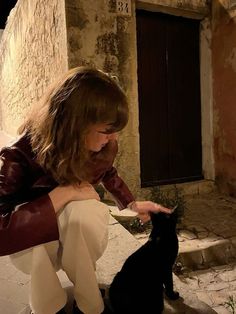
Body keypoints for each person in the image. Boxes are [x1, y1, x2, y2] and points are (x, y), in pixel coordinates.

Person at [0, 66, 171, 314]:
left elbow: (107, 172)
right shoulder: (17, 155)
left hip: (75, 238)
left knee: (84, 211)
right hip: (35, 249)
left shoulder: (102, 146)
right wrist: (62, 194)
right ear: (75, 125)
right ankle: (48, 307)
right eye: (106, 131)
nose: (112, 140)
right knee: (36, 238)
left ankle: (89, 306)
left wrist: (131, 203)